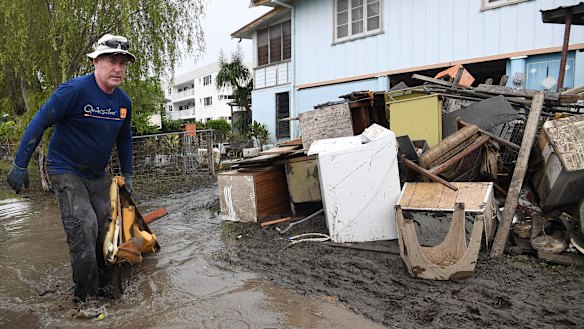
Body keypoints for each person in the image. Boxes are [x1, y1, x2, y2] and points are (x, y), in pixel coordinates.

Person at [6, 34, 135, 302]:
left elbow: (124, 139)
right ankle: (83, 300)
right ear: (95, 62)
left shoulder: (123, 103)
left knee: (106, 229)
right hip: (65, 168)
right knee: (83, 226)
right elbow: (39, 121)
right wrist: (19, 164)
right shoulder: (74, 91)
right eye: (112, 61)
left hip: (97, 174)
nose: (118, 69)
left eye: (123, 63)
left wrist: (128, 173)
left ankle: (102, 284)